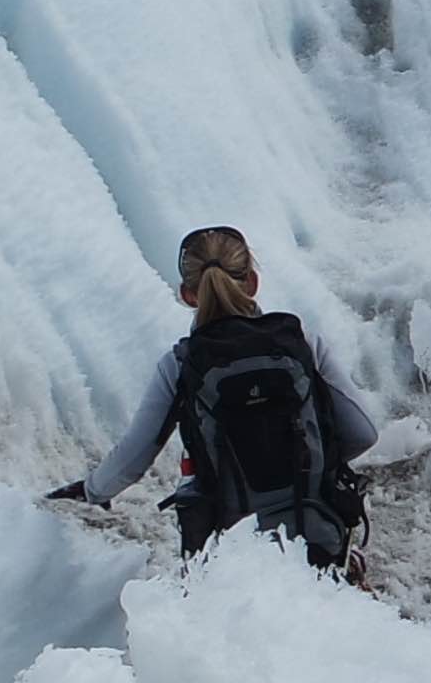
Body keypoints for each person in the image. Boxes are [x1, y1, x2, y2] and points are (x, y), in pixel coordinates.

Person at [50, 225, 377, 571]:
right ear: (252, 282)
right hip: (315, 533)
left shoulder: (181, 364)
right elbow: (364, 433)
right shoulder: (302, 343)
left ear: (188, 295)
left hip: (227, 554)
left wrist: (91, 492)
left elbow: (133, 457)